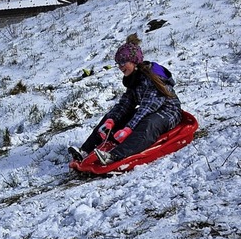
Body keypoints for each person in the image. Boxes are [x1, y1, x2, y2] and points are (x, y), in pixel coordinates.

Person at [68, 33, 182, 165]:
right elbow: (125, 104)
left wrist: (128, 128)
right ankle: (85, 151)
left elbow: (147, 109)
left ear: (134, 61)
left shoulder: (153, 79)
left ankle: (115, 155)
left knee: (148, 124)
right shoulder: (133, 78)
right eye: (118, 63)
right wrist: (112, 120)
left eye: (123, 62)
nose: (120, 67)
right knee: (112, 116)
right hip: (149, 112)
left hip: (168, 112)